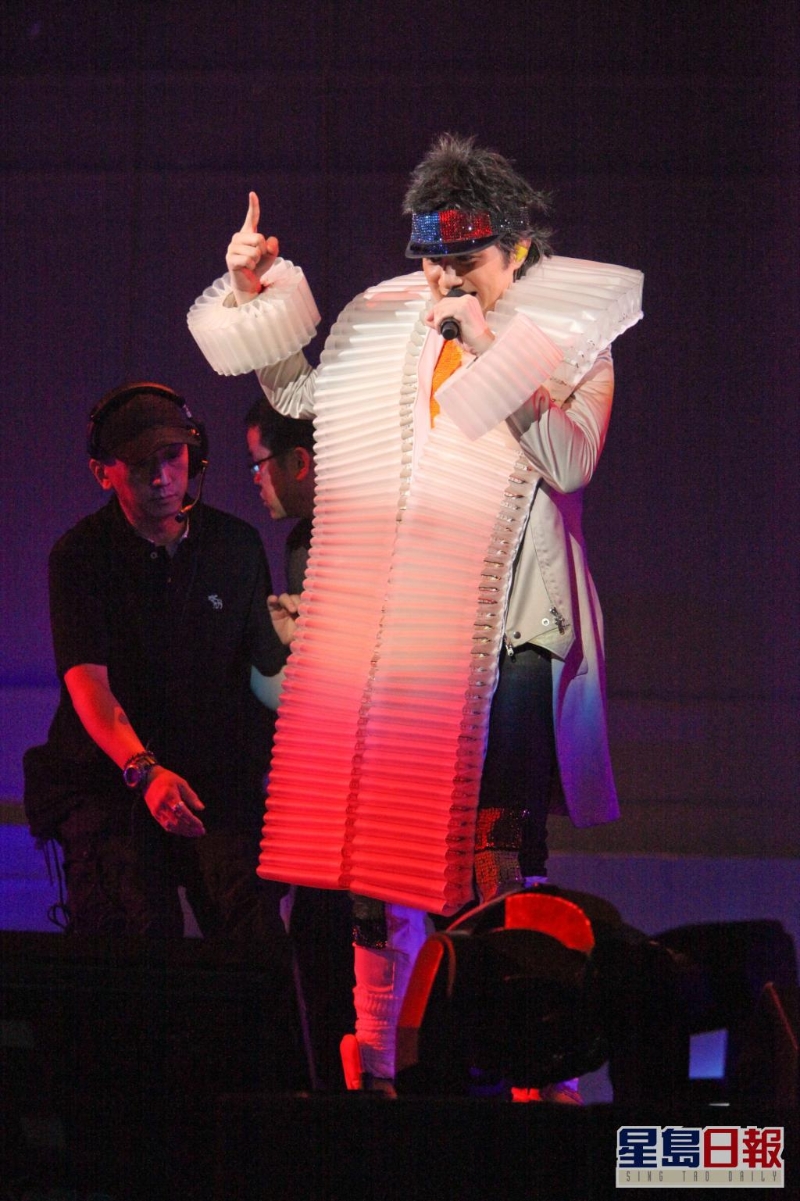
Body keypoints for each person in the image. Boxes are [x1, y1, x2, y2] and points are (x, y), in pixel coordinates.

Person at [188, 134, 643, 1090]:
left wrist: (491, 351)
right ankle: (379, 1060)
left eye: (465, 261)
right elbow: (308, 399)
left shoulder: (572, 334)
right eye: (432, 262)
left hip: (511, 631)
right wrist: (259, 302)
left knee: (499, 853)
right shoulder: (393, 320)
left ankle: (535, 1066)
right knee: (375, 851)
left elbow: (570, 462)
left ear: (518, 248)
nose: (444, 281)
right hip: (403, 631)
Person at [23, 382, 290, 948]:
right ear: (103, 472)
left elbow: (265, 675)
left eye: (173, 457)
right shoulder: (81, 556)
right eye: (143, 464)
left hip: (216, 783)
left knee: (254, 939)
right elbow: (89, 688)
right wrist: (145, 772)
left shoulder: (235, 546)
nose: (164, 477)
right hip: (111, 783)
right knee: (133, 938)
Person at [244, 396, 355, 1088]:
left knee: (338, 949)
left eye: (259, 464)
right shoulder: (301, 543)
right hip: (322, 788)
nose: (256, 480)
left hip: (358, 788)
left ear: (300, 461)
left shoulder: (334, 541)